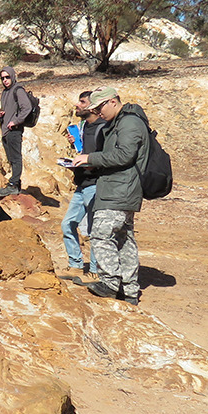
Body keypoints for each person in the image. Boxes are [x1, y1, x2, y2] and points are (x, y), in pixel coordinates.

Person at [71, 86, 149, 306]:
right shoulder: (120, 122)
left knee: (101, 235)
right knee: (123, 240)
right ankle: (129, 290)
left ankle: (110, 283)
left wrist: (91, 158)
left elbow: (124, 155)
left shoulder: (129, 123)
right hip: (119, 189)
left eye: (100, 108)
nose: (98, 113)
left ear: (113, 101)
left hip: (119, 190)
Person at [60, 90, 106, 282]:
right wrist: (75, 148)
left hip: (95, 184)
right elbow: (84, 152)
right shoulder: (83, 126)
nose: (77, 105)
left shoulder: (103, 128)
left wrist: (89, 163)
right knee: (68, 224)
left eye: (82, 102)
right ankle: (76, 265)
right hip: (82, 183)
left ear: (93, 106)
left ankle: (95, 271)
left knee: (95, 229)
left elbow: (105, 157)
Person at [0, 65, 34, 197]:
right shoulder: (5, 92)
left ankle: (13, 184)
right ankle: (16, 185)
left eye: (7, 77)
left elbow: (26, 107)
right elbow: (7, 109)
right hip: (5, 130)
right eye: (2, 78)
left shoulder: (18, 90)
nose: (5, 80)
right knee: (11, 158)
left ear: (12, 76)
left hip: (14, 130)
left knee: (16, 158)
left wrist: (15, 121)